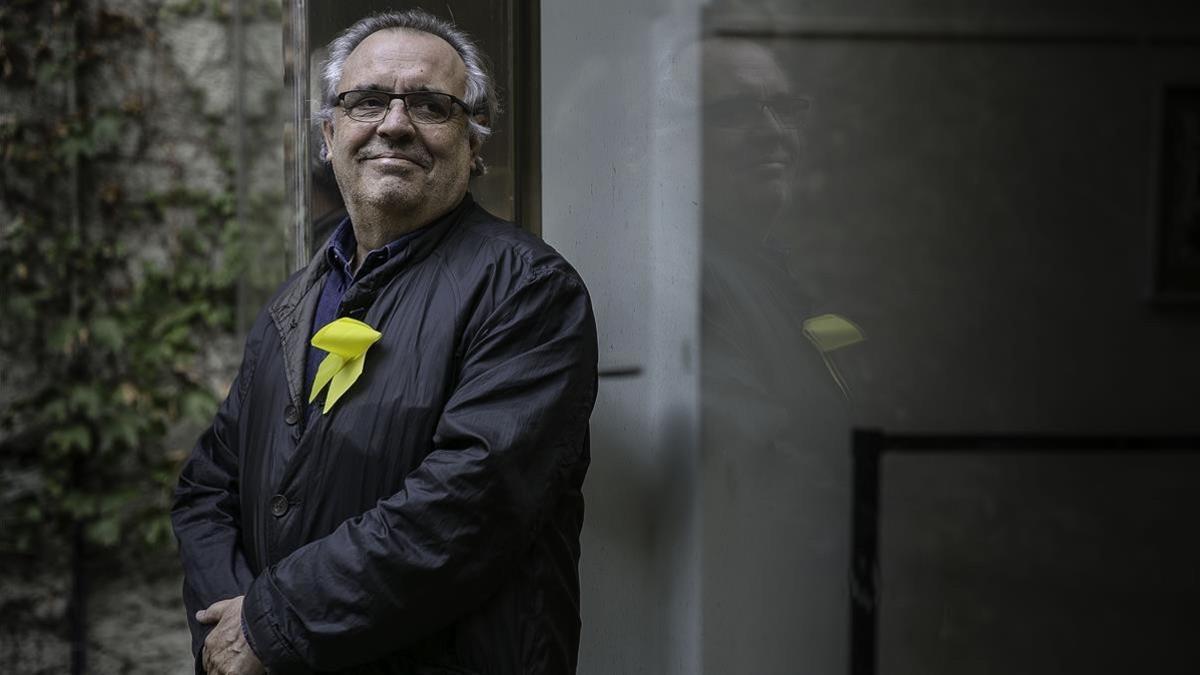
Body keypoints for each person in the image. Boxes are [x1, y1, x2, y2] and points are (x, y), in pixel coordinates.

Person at [170, 9, 598, 675]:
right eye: (368, 100)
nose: (395, 124)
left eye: (431, 104)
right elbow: (206, 489)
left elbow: (466, 508)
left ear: (473, 142)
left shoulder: (528, 290)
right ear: (328, 132)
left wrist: (268, 622)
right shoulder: (294, 302)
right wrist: (230, 624)